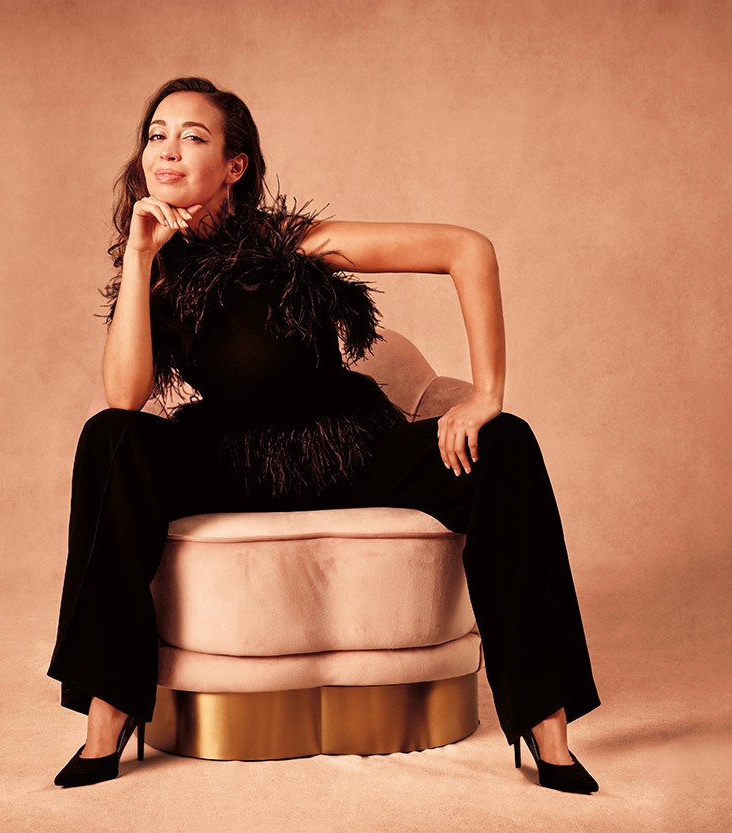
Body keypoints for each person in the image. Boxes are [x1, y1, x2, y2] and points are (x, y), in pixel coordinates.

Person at [46, 77, 601, 793]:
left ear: (235, 165)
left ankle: (545, 724)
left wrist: (486, 395)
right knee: (109, 438)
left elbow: (467, 249)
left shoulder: (292, 242)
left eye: (193, 136)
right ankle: (109, 711)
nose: (168, 151)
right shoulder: (154, 268)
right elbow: (126, 397)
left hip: (342, 451)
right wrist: (141, 257)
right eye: (157, 135)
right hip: (228, 462)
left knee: (508, 444)